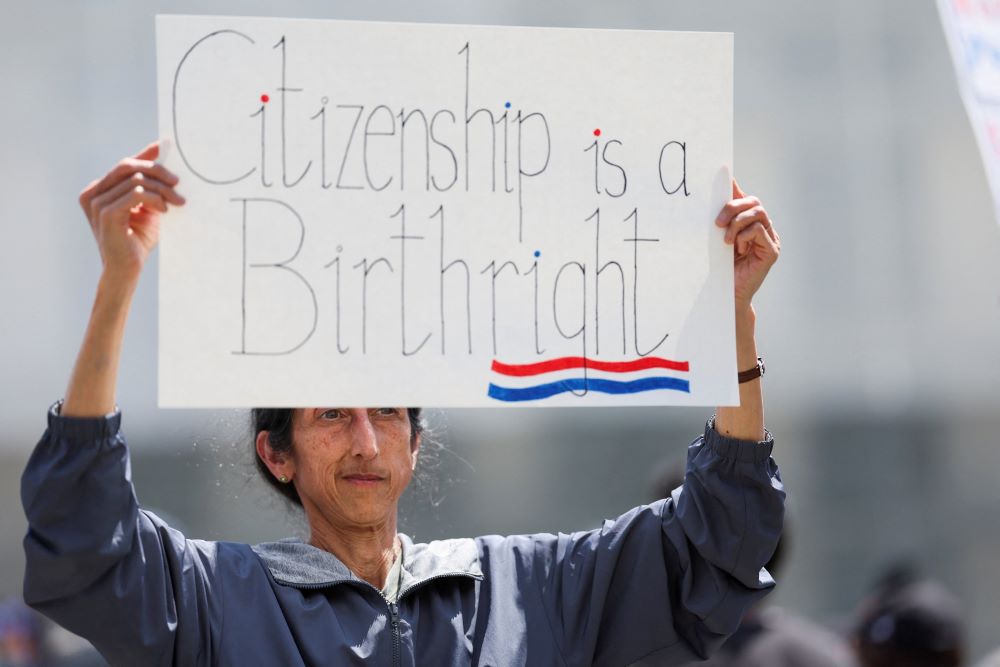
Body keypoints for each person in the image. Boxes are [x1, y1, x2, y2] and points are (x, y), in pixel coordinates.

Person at [21, 142, 784, 666]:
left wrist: (734, 323)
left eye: (387, 412)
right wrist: (118, 281)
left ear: (417, 442)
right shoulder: (218, 600)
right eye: (329, 415)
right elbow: (87, 543)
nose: (365, 440)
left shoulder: (530, 589)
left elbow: (716, 541)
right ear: (275, 453)